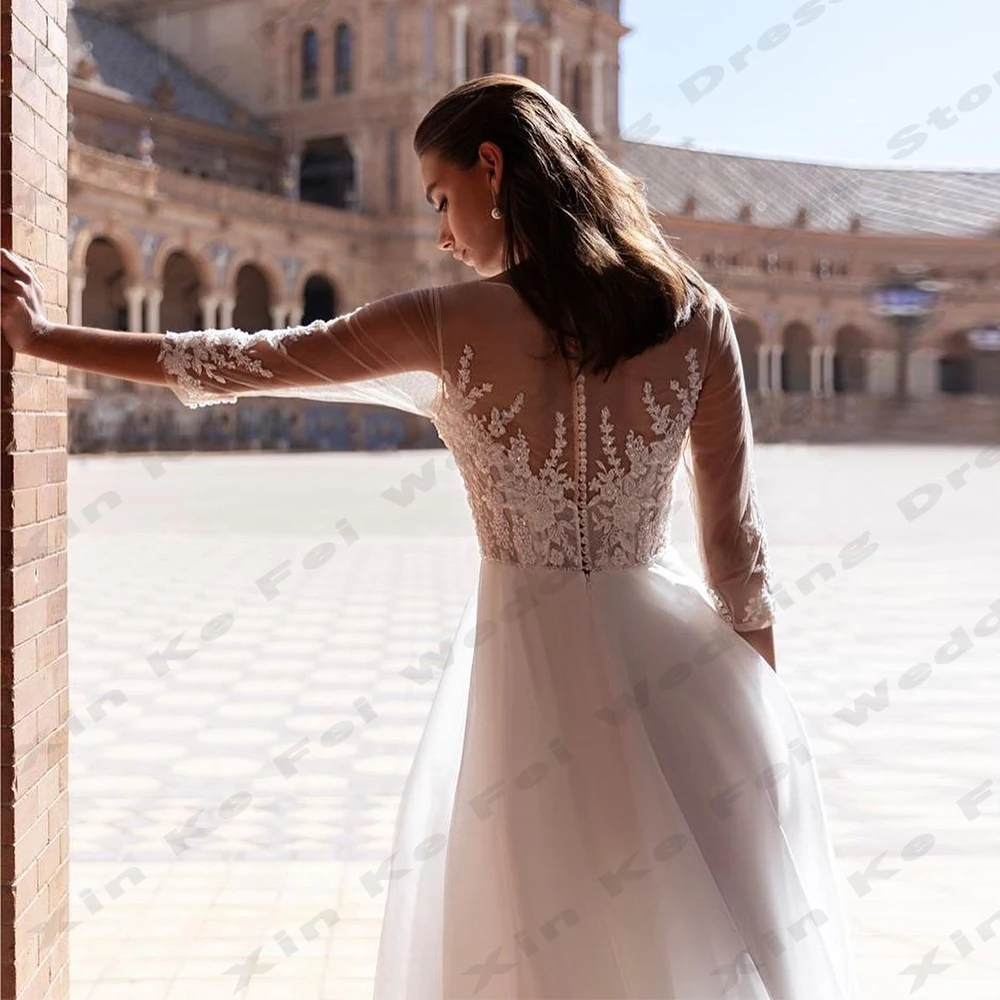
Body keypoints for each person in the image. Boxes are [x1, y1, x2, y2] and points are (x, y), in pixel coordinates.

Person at [2, 75, 860, 999]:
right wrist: (764, 709)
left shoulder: (444, 320)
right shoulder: (698, 317)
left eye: (444, 199)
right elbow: (736, 547)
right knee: (690, 937)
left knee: (540, 939)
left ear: (493, 168)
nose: (443, 235)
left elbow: (239, 361)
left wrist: (42, 337)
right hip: (682, 675)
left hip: (531, 680)